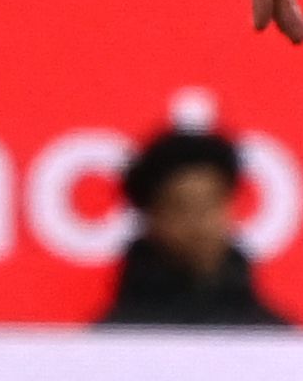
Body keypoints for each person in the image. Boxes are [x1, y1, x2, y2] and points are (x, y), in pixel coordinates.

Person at [100, 127, 289, 325]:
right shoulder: (114, 340)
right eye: (182, 207)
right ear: (152, 217)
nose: (201, 225)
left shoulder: (275, 340)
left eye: (211, 204)